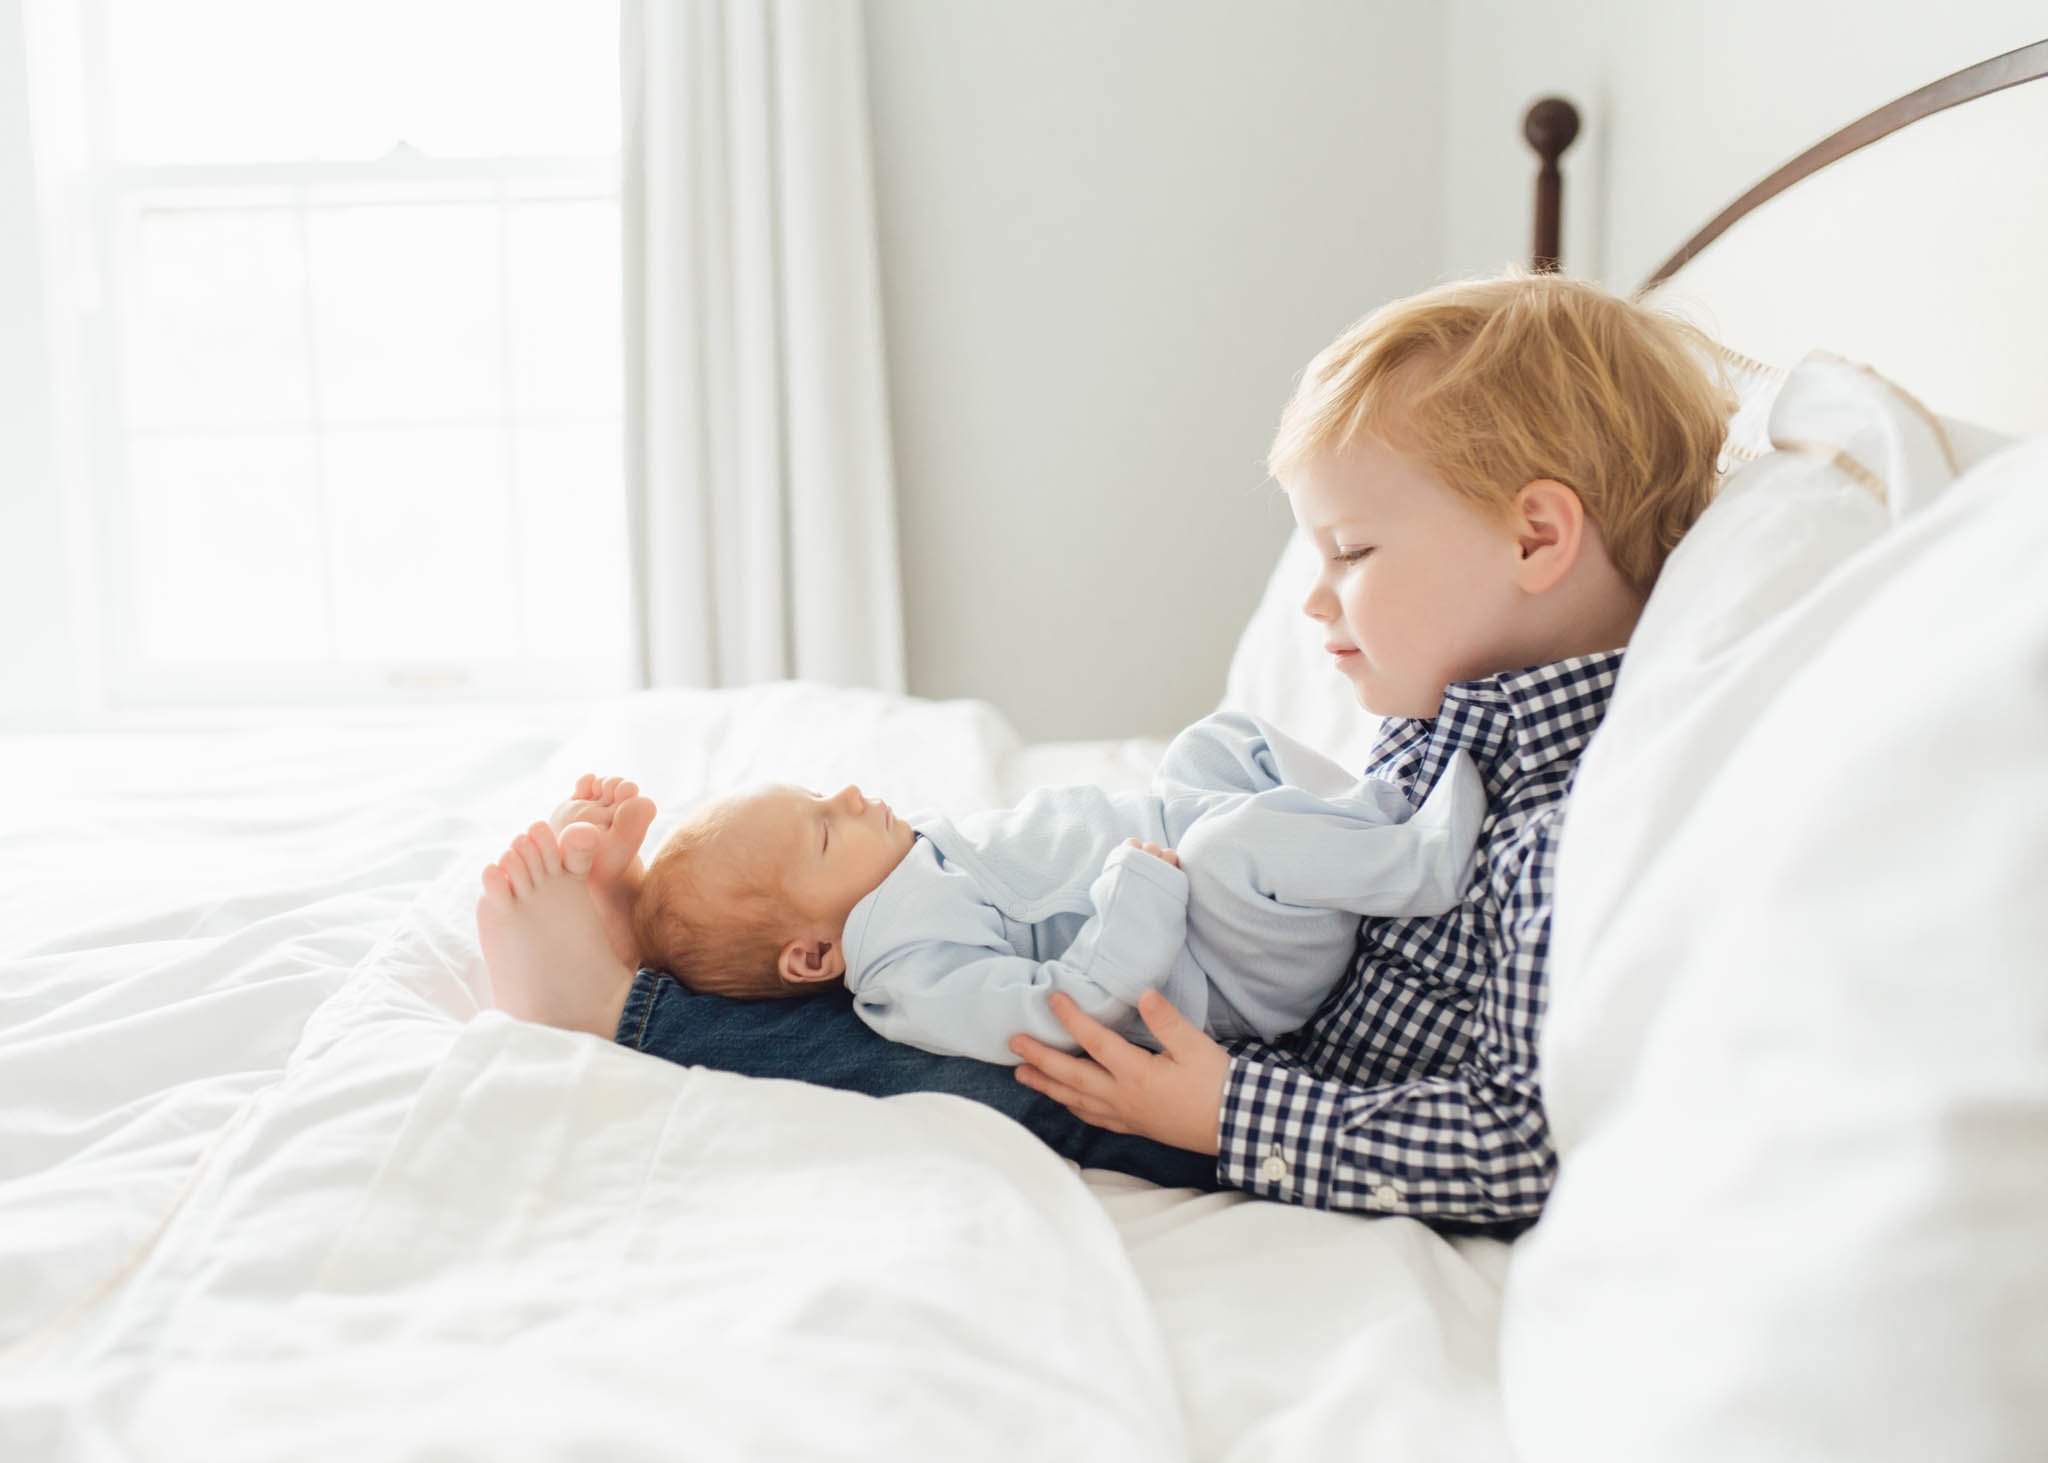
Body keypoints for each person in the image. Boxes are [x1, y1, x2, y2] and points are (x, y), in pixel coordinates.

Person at [476, 265, 1736, 1228]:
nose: (1313, 604)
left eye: (1349, 554)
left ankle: (624, 1005)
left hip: (1248, 1072)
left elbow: (1519, 1143)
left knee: (964, 1066)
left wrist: (1229, 1111)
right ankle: (675, 919)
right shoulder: (1454, 727)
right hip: (1225, 979)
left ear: (1534, 539)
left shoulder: (1555, 826)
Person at [613, 711, 1485, 1067]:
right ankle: (1422, 863)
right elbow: (1067, 1005)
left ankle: (1362, 816)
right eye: (823, 829)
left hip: (1173, 856)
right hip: (1221, 960)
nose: (845, 796)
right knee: (1232, 845)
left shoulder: (899, 866)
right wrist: (1138, 888)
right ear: (812, 952)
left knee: (1220, 740)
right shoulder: (910, 976)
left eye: (818, 794)